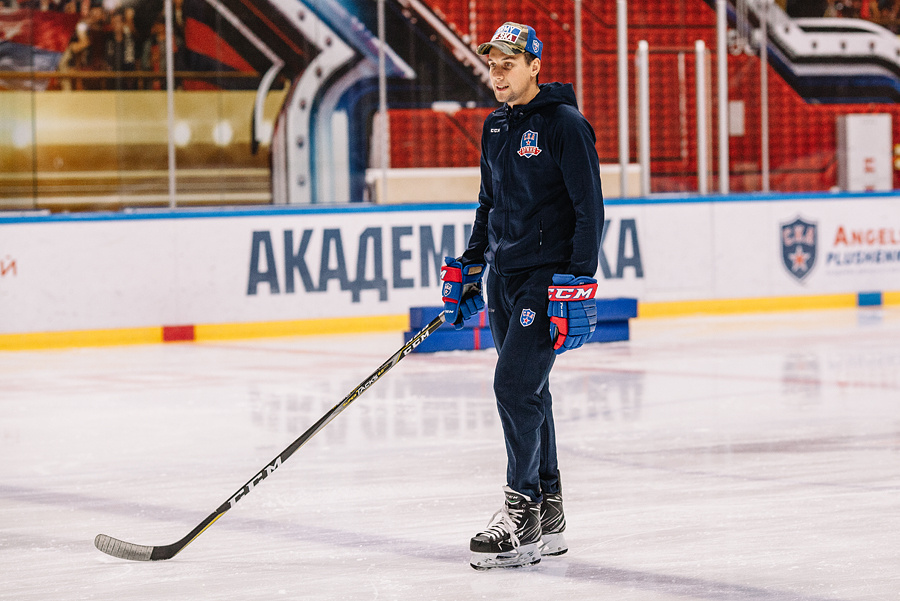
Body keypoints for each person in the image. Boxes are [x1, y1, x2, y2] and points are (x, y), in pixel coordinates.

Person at [439, 22, 604, 570]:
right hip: (503, 278)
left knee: (512, 386)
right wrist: (470, 265)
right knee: (531, 390)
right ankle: (548, 512)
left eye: (508, 64)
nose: (497, 74)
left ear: (535, 66)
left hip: (545, 279)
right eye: (492, 65)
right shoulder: (495, 127)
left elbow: (589, 209)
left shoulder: (565, 125)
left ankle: (520, 513)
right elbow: (487, 203)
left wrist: (577, 280)